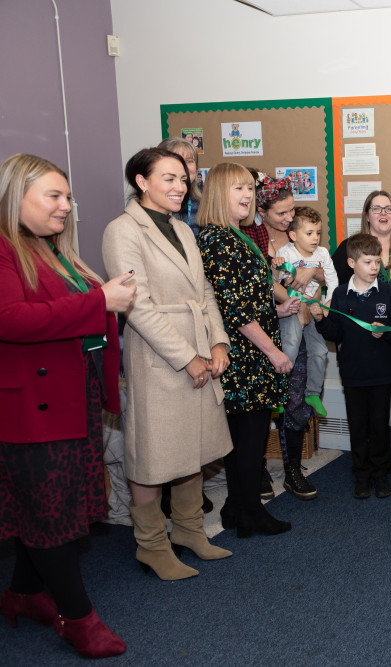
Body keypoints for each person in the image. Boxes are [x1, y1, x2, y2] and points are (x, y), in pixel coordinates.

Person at [0, 153, 134, 658]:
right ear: (17, 195)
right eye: (53, 196)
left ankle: (23, 593)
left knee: (49, 506)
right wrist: (99, 303)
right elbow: (10, 320)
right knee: (48, 514)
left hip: (69, 396)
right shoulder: (3, 248)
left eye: (68, 197)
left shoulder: (51, 249)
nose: (66, 207)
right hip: (29, 406)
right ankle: (79, 619)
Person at [102, 147, 233, 581]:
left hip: (199, 349)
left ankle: (190, 531)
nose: (180, 187)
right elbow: (136, 306)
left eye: (183, 179)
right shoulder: (123, 230)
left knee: (192, 448)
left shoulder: (184, 229)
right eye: (169, 179)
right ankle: (152, 546)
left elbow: (206, 294)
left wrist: (218, 343)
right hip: (158, 359)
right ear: (142, 182)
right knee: (154, 456)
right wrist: (187, 357)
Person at [197, 162, 295, 537]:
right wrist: (273, 351)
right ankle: (249, 510)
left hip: (250, 350)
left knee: (246, 438)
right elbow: (235, 309)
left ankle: (238, 508)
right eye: (238, 188)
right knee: (249, 439)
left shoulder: (237, 234)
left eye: (250, 189)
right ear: (219, 193)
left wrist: (280, 306)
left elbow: (253, 294)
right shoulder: (219, 238)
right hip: (245, 354)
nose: (247, 195)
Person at [245, 170, 318, 502]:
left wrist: (311, 270)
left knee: (295, 400)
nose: (290, 218)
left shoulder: (297, 237)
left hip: (296, 329)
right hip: (260, 334)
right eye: (282, 213)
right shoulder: (253, 240)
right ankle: (257, 467)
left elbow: (319, 267)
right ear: (261, 212)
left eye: (292, 210)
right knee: (261, 405)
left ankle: (292, 469)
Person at [331, 190, 391, 462]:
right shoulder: (349, 247)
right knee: (365, 410)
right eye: (376, 208)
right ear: (367, 215)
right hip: (364, 348)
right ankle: (365, 464)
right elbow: (338, 293)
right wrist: (341, 333)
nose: (383, 213)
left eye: (388, 208)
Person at [315, 233, 391, 500]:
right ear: (351, 263)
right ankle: (361, 476)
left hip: (381, 373)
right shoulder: (340, 294)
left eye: (377, 262)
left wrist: (386, 331)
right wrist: (320, 319)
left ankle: (381, 474)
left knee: (379, 427)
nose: (374, 268)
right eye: (367, 262)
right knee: (358, 427)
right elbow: (335, 334)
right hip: (352, 374)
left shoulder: (388, 292)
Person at [275, 206, 337, 419]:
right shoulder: (285, 253)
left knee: (320, 352)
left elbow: (332, 279)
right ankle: (279, 395)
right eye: (309, 233)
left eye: (318, 232)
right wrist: (278, 267)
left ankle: (313, 394)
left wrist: (328, 302)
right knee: (289, 348)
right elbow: (279, 280)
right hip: (292, 308)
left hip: (315, 307)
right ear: (293, 235)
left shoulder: (322, 254)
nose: (315, 238)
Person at [157, 137, 201, 235]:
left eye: (189, 161)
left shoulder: (203, 204)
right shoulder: (147, 204)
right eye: (177, 160)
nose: (184, 167)